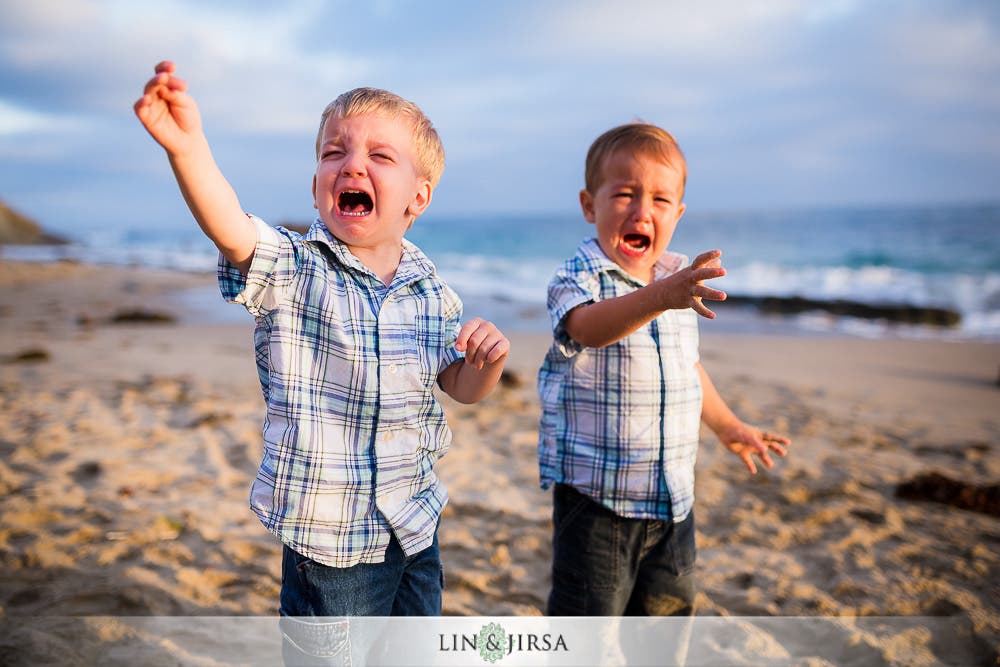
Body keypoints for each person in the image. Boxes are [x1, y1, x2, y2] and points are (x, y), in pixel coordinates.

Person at [135, 61, 509, 660]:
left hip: (414, 526)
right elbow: (231, 229)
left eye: (380, 157)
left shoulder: (431, 289)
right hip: (330, 540)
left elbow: (458, 386)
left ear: (419, 196)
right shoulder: (296, 269)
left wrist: (484, 366)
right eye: (335, 152)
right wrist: (188, 147)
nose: (353, 165)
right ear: (317, 187)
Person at [537, 122, 790, 620]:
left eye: (659, 200)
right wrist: (658, 298)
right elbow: (587, 329)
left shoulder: (676, 279)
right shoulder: (577, 276)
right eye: (625, 194)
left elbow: (687, 369)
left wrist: (729, 425)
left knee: (665, 622)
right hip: (597, 502)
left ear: (678, 212)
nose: (641, 211)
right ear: (590, 206)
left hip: (673, 500)